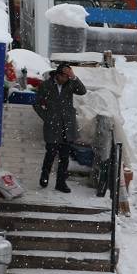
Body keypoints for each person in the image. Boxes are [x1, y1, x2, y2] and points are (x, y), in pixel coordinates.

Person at [33, 63, 87, 193]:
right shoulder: (46, 85)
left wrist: (73, 76)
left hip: (67, 125)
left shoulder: (70, 84)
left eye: (68, 76)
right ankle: (44, 176)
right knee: (50, 153)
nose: (66, 79)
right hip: (52, 126)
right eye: (64, 76)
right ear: (58, 75)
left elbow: (82, 91)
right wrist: (46, 117)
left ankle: (61, 182)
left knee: (64, 156)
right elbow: (37, 103)